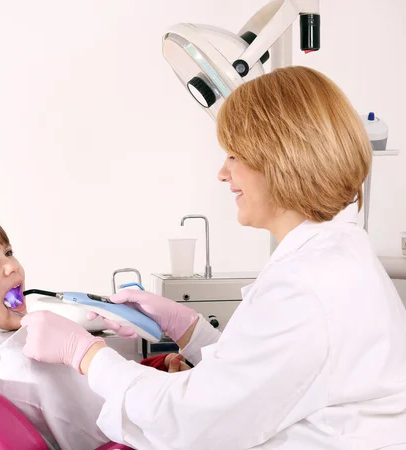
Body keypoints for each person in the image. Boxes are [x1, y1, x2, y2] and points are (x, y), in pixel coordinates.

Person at [20, 66, 406, 449]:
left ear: (282, 159)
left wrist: (86, 354)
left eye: (234, 156)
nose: (223, 173)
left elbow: (192, 423)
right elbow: (267, 380)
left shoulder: (305, 287)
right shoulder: (336, 255)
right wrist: (190, 331)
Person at [0, 211, 188, 450]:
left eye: (8, 252)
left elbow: (96, 396)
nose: (11, 267)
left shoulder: (12, 345)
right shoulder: (15, 358)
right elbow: (103, 431)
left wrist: (158, 369)